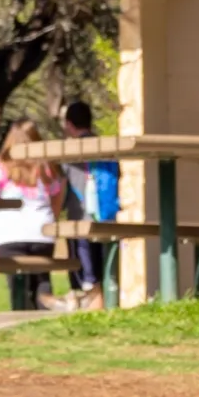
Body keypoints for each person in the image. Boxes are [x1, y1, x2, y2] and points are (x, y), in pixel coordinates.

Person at [0, 121, 64, 309]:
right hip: (42, 231)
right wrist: (52, 217)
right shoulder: (46, 167)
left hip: (9, 233)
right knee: (42, 283)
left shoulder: (1, 166)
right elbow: (57, 193)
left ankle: (21, 319)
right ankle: (46, 320)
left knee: (17, 285)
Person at [59, 97, 121, 307]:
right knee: (105, 267)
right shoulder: (107, 148)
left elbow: (61, 185)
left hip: (80, 220)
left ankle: (94, 304)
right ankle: (107, 302)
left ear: (69, 124)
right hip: (107, 216)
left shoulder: (69, 152)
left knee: (86, 275)